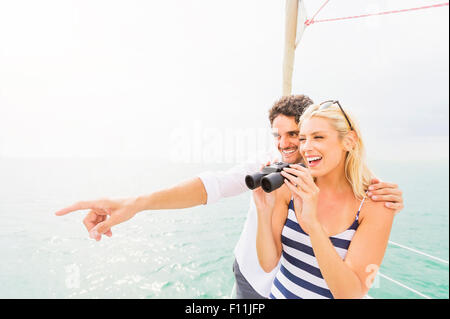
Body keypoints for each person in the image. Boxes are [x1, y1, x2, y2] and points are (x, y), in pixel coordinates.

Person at [55, 95, 404, 299]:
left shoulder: (365, 190)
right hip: (252, 278)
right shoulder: (275, 170)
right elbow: (214, 185)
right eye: (277, 135)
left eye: (296, 135)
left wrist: (382, 190)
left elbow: (352, 171)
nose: (287, 145)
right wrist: (137, 203)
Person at [253, 100, 396, 299]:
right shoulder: (290, 188)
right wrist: (263, 210)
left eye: (318, 137)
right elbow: (267, 264)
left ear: (349, 141)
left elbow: (351, 294)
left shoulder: (375, 205)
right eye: (303, 139)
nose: (306, 147)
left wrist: (312, 223)